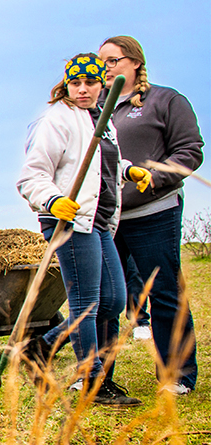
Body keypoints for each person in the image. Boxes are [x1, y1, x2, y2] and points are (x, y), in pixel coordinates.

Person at [17, 53, 145, 406]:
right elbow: (33, 177)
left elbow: (95, 164)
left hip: (99, 220)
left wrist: (127, 170)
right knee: (86, 303)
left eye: (90, 82)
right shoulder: (55, 120)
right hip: (69, 220)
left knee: (115, 299)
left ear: (102, 83)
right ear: (67, 84)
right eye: (76, 83)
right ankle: (93, 381)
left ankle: (44, 346)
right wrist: (52, 200)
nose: (83, 89)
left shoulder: (100, 119)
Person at [99, 35, 201, 395]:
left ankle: (177, 376)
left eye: (111, 61)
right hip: (106, 219)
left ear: (135, 62)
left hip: (153, 212)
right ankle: (97, 377)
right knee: (105, 296)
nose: (105, 69)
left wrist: (156, 178)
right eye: (101, 63)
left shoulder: (165, 100)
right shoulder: (96, 107)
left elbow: (190, 150)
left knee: (164, 292)